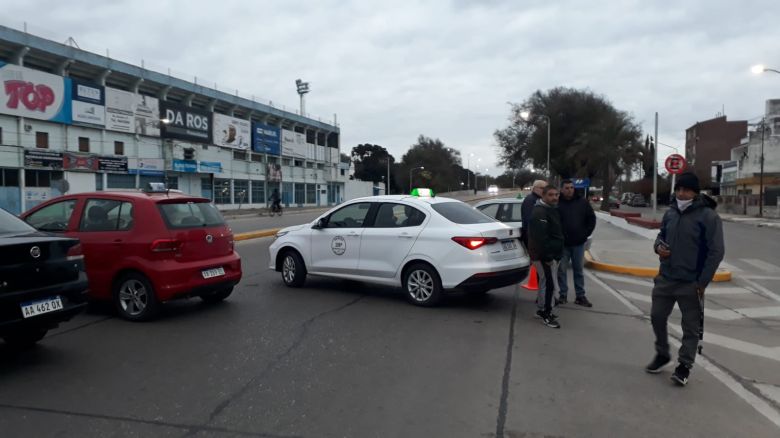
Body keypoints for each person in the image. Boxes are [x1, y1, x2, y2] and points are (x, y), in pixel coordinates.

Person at [645, 172, 724, 386]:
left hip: (691, 282)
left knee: (690, 327)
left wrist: (702, 282)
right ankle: (662, 353)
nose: (682, 193)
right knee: (657, 317)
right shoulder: (671, 213)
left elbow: (716, 252)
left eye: (686, 190)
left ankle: (684, 365)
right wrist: (658, 248)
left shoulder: (708, 216)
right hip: (666, 278)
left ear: (695, 192)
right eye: (679, 189)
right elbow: (661, 236)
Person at [528, 185, 564, 329]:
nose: (554, 197)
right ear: (543, 196)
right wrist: (548, 257)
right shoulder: (539, 212)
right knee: (549, 284)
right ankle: (546, 314)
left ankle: (542, 308)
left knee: (545, 282)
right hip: (543, 256)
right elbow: (540, 238)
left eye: (556, 194)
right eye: (550, 195)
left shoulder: (550, 209)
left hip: (550, 254)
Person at [556, 179, 596, 307]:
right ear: (562, 189)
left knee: (578, 270)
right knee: (561, 270)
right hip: (562, 244)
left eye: (572, 187)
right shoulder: (557, 203)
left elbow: (591, 219)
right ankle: (563, 294)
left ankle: (580, 296)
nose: (569, 190)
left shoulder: (582, 202)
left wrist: (585, 234)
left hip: (578, 243)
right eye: (567, 188)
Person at [521, 179, 547, 248]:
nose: (544, 190)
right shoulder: (531, 200)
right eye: (542, 188)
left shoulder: (539, 199)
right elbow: (529, 219)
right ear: (535, 188)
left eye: (546, 188)